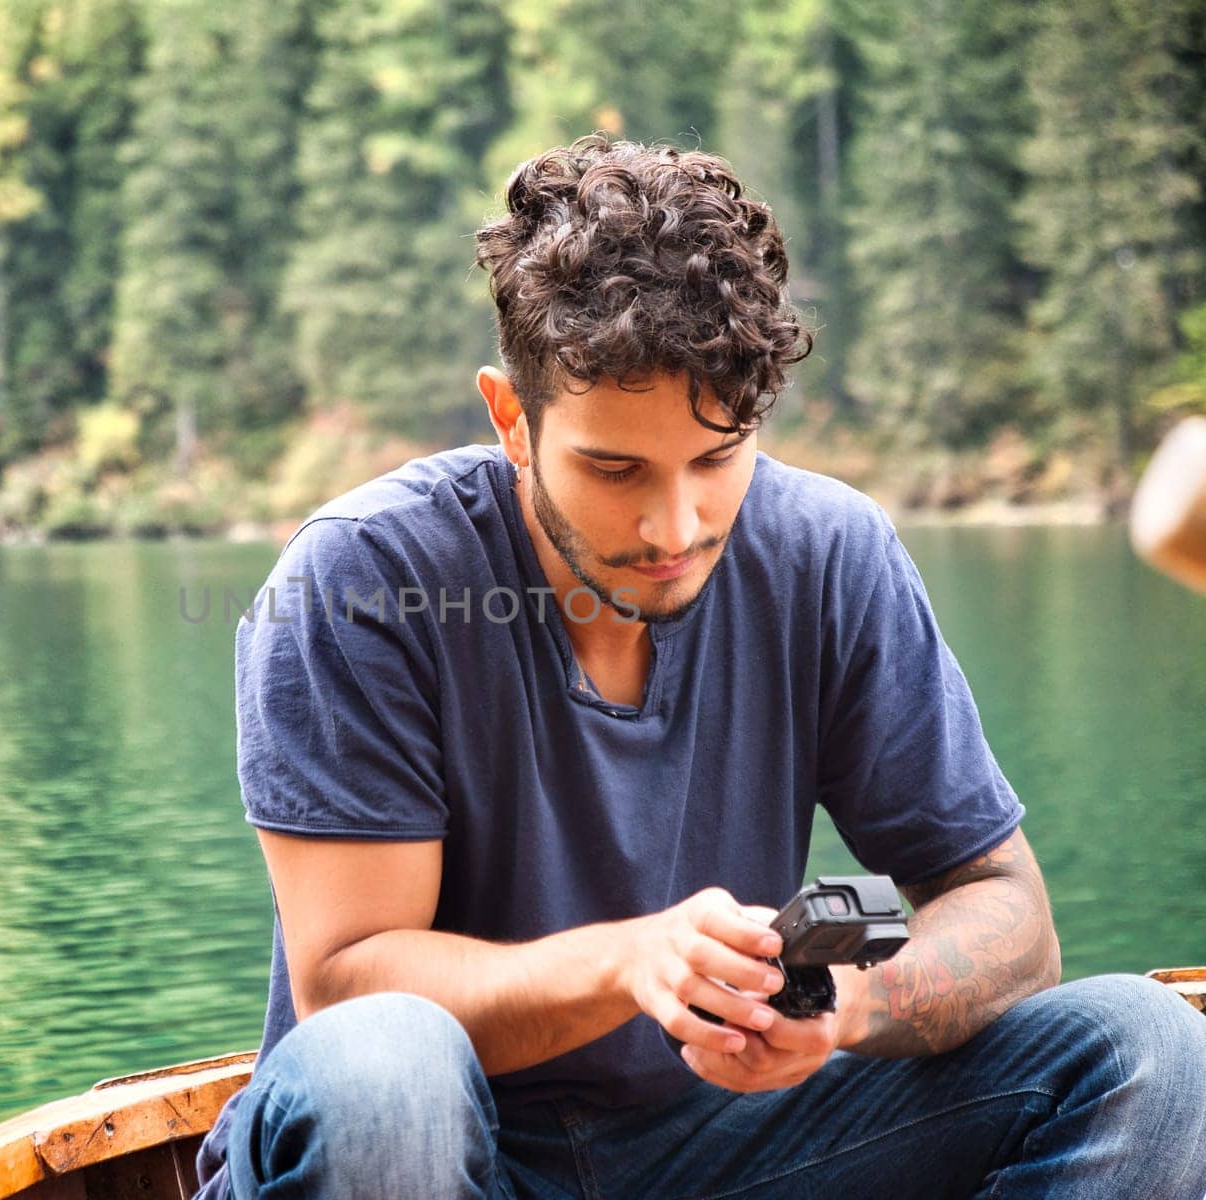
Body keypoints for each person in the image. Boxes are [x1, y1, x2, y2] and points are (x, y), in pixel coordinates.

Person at [192, 134, 1206, 1199]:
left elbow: (1004, 912)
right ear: (510, 419)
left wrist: (839, 1004)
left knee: (1148, 1050)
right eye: (614, 467)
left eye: (718, 457)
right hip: (438, 1148)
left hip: (722, 1140)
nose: (672, 525)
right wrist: (633, 962)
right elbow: (347, 985)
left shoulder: (828, 552)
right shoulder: (362, 578)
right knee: (385, 1070)